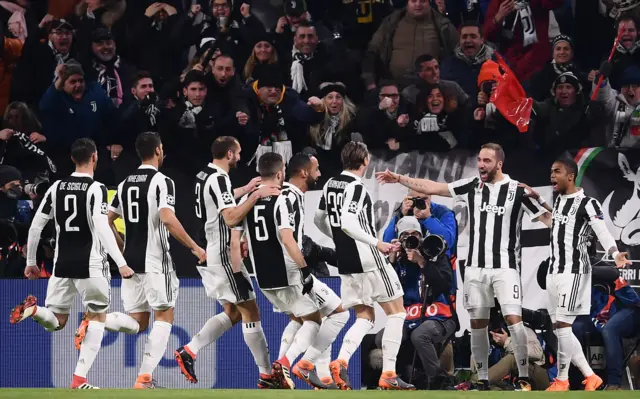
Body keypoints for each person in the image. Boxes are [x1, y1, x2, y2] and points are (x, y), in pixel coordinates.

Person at [376, 142, 551, 391]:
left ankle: (524, 376)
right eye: (479, 159)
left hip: (505, 267)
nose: (481, 164)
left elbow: (551, 221)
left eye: (486, 161)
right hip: (476, 269)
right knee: (478, 323)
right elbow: (433, 187)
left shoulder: (518, 191)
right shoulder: (471, 186)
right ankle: (481, 380)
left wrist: (542, 199)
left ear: (499, 164)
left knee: (514, 320)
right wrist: (400, 179)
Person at [9, 138, 131, 389]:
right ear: (95, 157)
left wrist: (31, 262)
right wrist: (120, 262)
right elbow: (101, 225)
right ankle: (79, 379)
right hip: (91, 264)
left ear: (72, 158)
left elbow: (36, 227)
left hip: (61, 264)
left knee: (56, 321)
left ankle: (34, 310)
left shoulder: (56, 188)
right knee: (97, 317)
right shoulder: (96, 188)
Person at [174, 136, 280, 389]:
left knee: (233, 313)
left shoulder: (204, 175)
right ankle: (267, 375)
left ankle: (189, 350)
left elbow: (218, 198)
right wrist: (256, 197)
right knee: (251, 311)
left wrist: (245, 190)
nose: (240, 157)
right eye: (239, 153)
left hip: (212, 249)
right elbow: (231, 217)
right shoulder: (219, 178)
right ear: (230, 154)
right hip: (223, 252)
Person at [104, 132, 206, 389]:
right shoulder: (162, 181)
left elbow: (106, 221)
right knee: (164, 316)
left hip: (131, 259)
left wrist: (121, 247)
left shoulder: (126, 183)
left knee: (139, 323)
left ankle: (99, 320)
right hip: (155, 259)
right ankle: (144, 378)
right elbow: (168, 218)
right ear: (159, 150)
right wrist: (194, 247)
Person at [314, 141, 414, 390]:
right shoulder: (357, 187)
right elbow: (348, 222)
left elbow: (319, 220)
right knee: (397, 312)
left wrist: (340, 241)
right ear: (365, 161)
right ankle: (389, 372)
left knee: (365, 317)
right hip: (368, 258)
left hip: (347, 262)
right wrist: (377, 243)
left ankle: (342, 361)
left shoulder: (330, 184)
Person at [527, 158, 631, 391]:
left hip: (574, 272)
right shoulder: (561, 202)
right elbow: (559, 225)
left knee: (564, 326)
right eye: (551, 171)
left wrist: (615, 254)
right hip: (554, 272)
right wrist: (538, 199)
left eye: (557, 172)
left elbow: (602, 232)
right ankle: (590, 376)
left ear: (571, 176)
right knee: (559, 329)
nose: (552, 176)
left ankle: (562, 379)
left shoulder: (588, 203)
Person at [230, 152, 326, 390]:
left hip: (262, 276)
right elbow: (286, 237)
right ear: (281, 173)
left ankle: (275, 373)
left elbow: (235, 241)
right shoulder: (282, 198)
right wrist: (303, 268)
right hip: (286, 271)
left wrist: (237, 275)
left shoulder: (248, 202)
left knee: (296, 317)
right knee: (314, 320)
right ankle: (285, 362)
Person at [278, 152, 350, 389]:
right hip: (293, 272)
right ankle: (296, 364)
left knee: (305, 319)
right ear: (304, 172)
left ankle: (282, 368)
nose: (319, 174)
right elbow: (288, 239)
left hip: (281, 272)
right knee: (339, 313)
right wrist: (304, 270)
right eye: (316, 169)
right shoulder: (287, 197)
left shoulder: (290, 196)